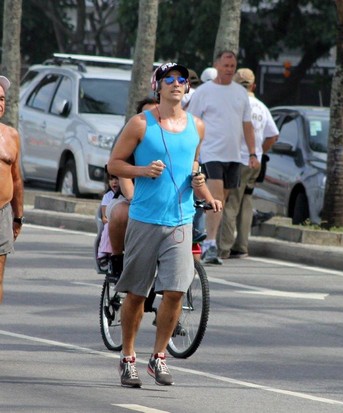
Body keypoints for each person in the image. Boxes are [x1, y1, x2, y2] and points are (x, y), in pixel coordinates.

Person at [108, 62, 222, 388]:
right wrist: (143, 171)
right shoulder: (140, 124)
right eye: (169, 78)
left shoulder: (197, 126)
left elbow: (192, 168)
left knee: (174, 291)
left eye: (182, 79)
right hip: (145, 219)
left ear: (187, 87)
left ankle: (158, 357)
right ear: (157, 85)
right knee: (137, 294)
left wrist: (205, 191)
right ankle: (127, 356)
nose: (176, 83)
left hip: (180, 220)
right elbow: (115, 163)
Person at [187, 50, 260, 264]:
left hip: (234, 155)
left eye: (232, 66)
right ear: (216, 65)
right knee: (216, 197)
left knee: (222, 201)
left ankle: (204, 237)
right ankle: (210, 244)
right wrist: (194, 152)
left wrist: (253, 153)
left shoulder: (239, 93)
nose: (229, 69)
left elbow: (247, 125)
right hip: (210, 152)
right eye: (225, 65)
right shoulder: (204, 92)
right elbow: (193, 121)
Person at [218, 68, 279, 259]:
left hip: (237, 160)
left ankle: (223, 248)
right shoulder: (261, 107)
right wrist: (260, 151)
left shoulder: (235, 104)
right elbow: (273, 135)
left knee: (230, 204)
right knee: (246, 202)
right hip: (255, 162)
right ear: (253, 85)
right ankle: (242, 246)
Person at [106, 97, 159, 281]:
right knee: (122, 213)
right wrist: (134, 199)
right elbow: (123, 175)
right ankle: (117, 258)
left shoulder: (174, 137)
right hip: (132, 199)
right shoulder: (133, 135)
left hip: (163, 203)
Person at [0, 75, 23, 305]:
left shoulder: (11, 135)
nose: (0, 103)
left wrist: (19, 216)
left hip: (2, 213)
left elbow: (16, 179)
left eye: (2, 99)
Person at [96, 171, 120, 270]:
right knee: (107, 227)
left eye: (116, 179)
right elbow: (104, 217)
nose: (114, 182)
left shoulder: (128, 194)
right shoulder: (108, 196)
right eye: (111, 179)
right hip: (111, 222)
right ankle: (102, 254)